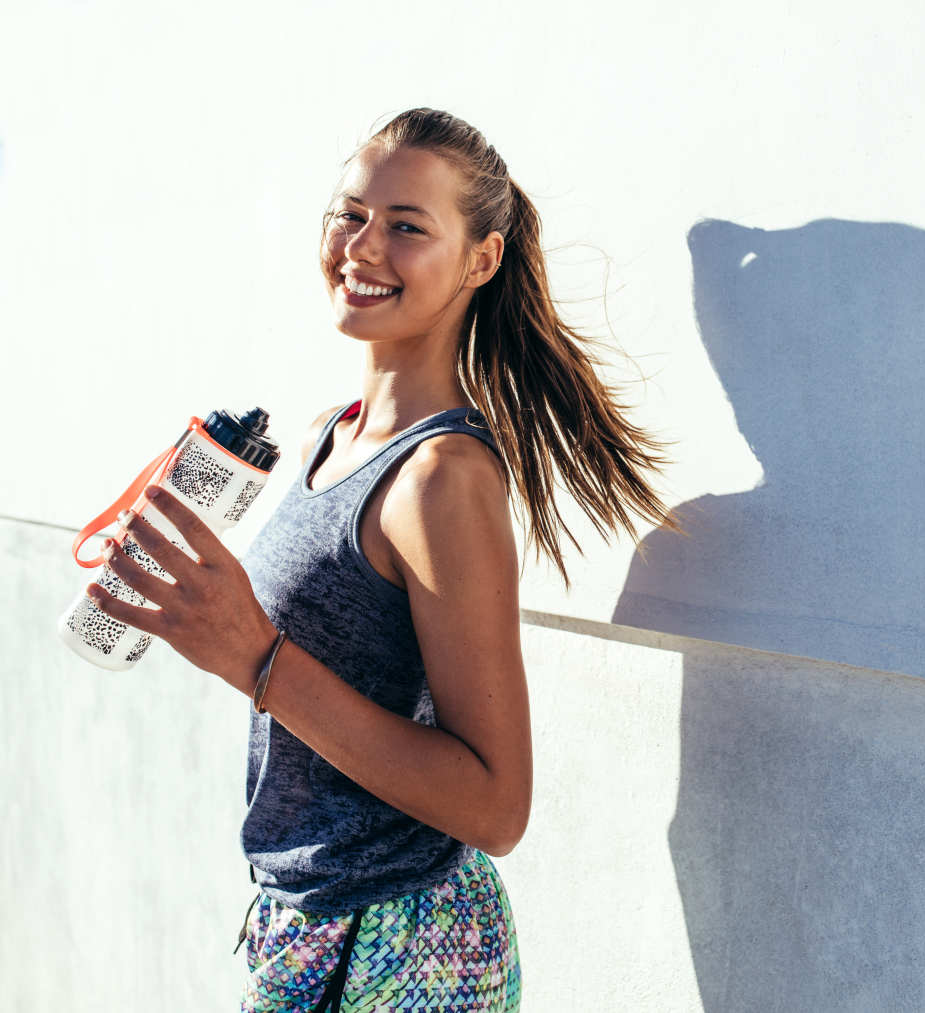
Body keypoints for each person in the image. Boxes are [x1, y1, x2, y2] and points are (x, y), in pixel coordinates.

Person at [83, 106, 683, 1011]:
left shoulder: (445, 477)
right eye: (350, 214)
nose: (362, 247)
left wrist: (252, 654)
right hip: (307, 922)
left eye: (407, 227)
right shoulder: (335, 433)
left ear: (480, 260)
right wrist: (195, 612)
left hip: (407, 946)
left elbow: (495, 806)